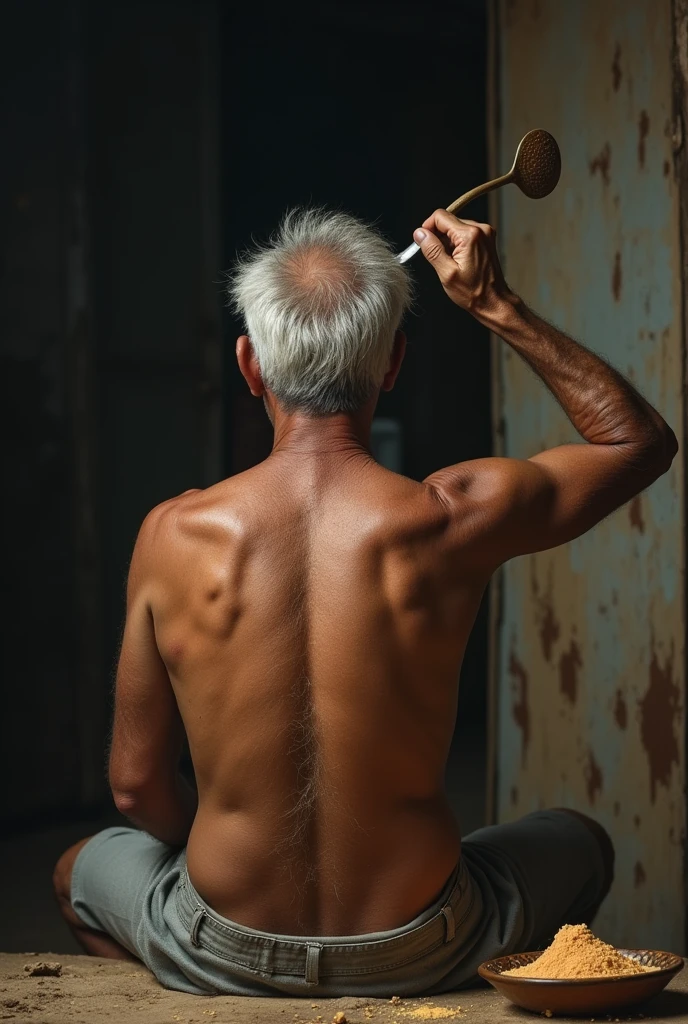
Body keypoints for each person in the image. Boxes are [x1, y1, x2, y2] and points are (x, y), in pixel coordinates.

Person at [53, 208, 676, 997]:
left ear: (249, 366)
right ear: (393, 364)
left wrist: (218, 855)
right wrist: (496, 304)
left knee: (82, 868)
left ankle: (208, 1009)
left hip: (222, 946)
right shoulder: (453, 518)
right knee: (581, 843)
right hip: (422, 945)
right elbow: (638, 442)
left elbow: (136, 786)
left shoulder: (172, 534)